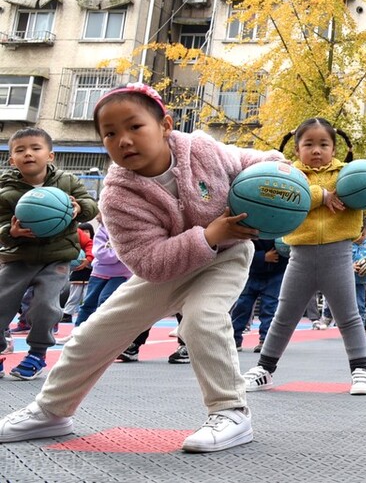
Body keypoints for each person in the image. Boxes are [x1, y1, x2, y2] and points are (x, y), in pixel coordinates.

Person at [0, 83, 286, 451]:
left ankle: (230, 411)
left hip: (225, 256)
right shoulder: (118, 194)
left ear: (165, 125)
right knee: (91, 335)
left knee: (202, 319)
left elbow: (255, 161)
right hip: (167, 266)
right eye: (110, 133)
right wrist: (207, 234)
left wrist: (280, 172)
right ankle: (51, 412)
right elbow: (150, 263)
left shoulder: (202, 148)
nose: (123, 140)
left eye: (135, 127)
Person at [242, 118, 366, 397]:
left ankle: (361, 371)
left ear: (334, 147)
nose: (316, 150)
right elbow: (290, 195)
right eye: (308, 144)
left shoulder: (346, 174)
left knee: (349, 316)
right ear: (297, 148)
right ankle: (264, 369)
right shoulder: (289, 175)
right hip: (299, 256)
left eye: (324, 144)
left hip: (338, 254)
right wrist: (321, 195)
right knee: (284, 317)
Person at [0, 128, 97, 380]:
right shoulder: (5, 189)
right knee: (1, 302)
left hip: (57, 257)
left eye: (35, 148)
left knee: (44, 305)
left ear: (50, 155)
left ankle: (37, 353)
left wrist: (78, 208)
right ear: (12, 160)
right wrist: (11, 232)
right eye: (20, 150)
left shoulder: (67, 181)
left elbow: (90, 206)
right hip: (18, 257)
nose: (28, 154)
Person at [229, 237, 287, 353]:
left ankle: (266, 340)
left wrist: (284, 251)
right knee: (242, 306)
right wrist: (262, 257)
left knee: (269, 307)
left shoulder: (284, 227)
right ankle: (234, 339)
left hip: (275, 273)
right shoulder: (252, 225)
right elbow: (241, 248)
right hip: (252, 272)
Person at [75, 213, 132, 326]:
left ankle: (100, 331)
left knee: (106, 301)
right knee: (89, 303)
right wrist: (120, 254)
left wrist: (120, 253)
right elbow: (101, 253)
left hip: (122, 274)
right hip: (100, 272)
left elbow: (132, 249)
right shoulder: (103, 229)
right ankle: (78, 330)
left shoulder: (130, 229)